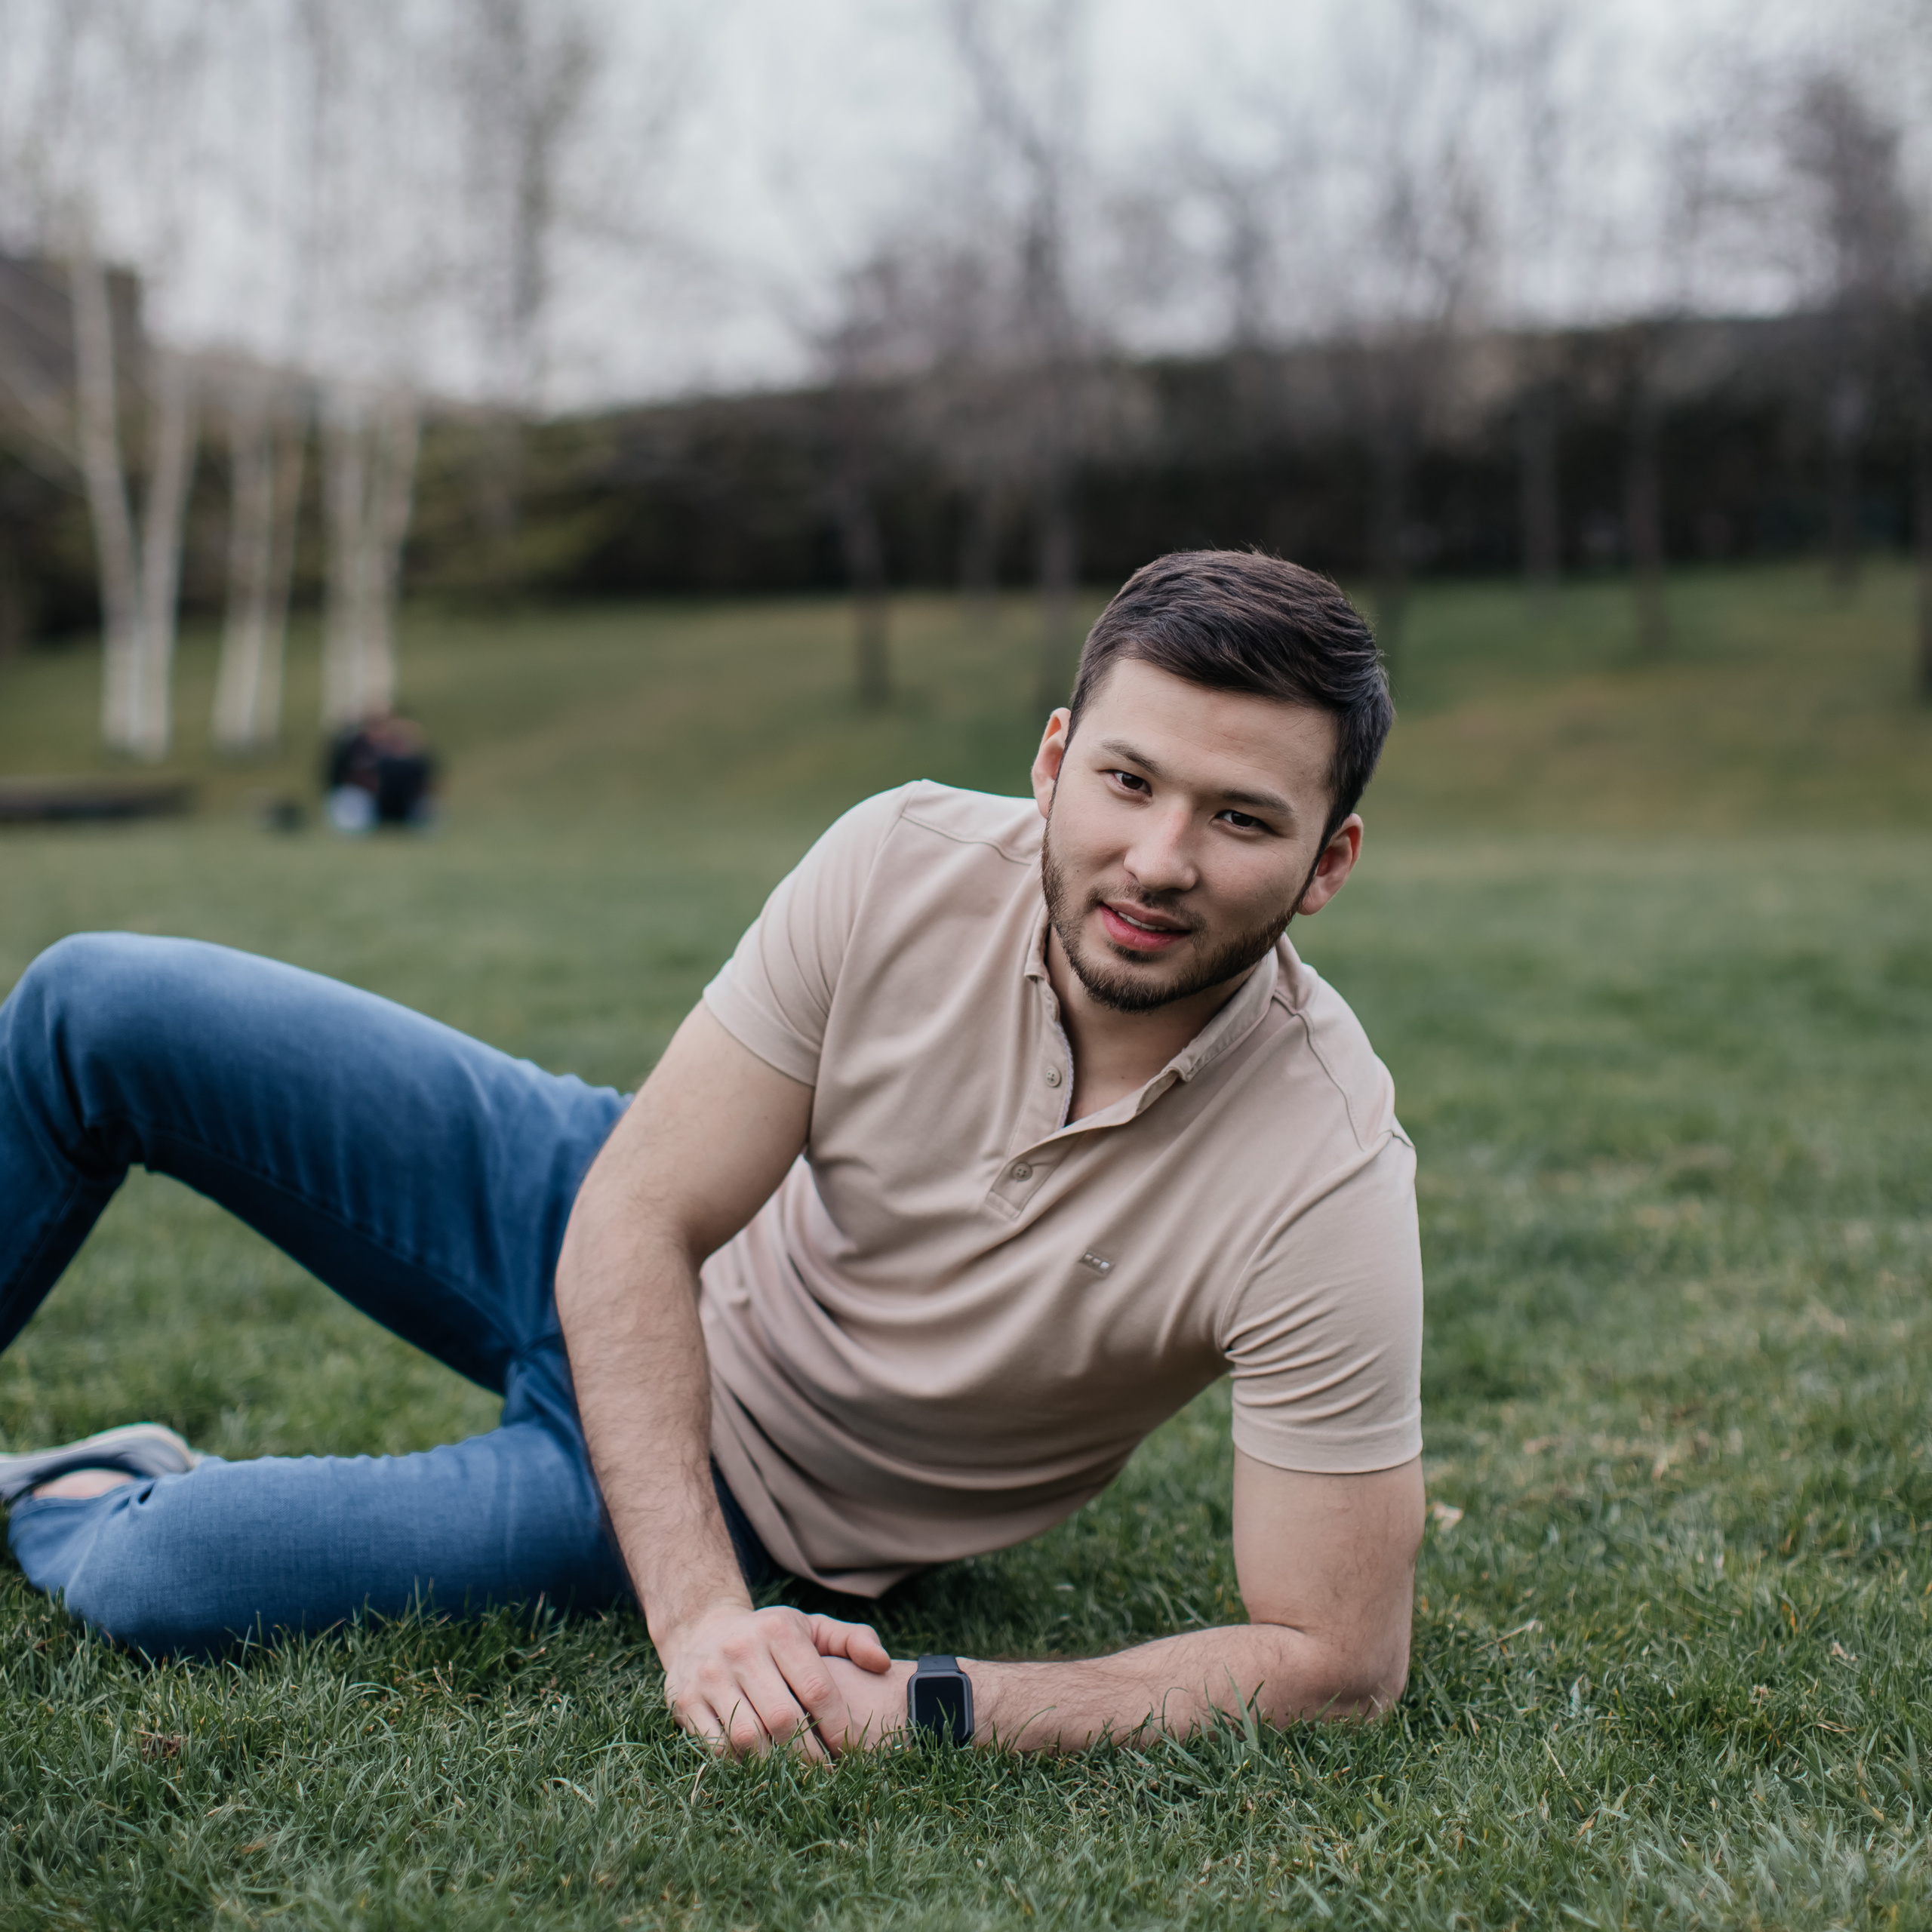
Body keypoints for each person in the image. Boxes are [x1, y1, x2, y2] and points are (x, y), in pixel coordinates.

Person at [0, 550, 1423, 1757]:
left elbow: (1338, 1660)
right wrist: (695, 1622)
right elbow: (640, 1211)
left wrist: (924, 1704)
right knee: (97, 1002)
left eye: (1241, 818)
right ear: (1054, 762)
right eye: (1128, 780)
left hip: (758, 1490)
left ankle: (72, 1480)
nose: (1161, 859)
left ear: (1329, 864)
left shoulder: (1327, 1176)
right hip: (595, 1201)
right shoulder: (901, 857)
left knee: (157, 1567)